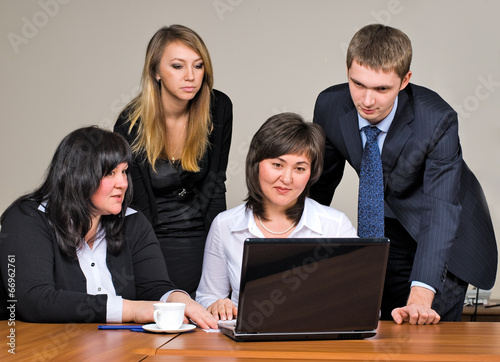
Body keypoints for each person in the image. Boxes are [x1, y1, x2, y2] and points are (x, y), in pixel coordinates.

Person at [310, 24, 497, 325]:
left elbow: (440, 209)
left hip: (447, 231)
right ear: (347, 71)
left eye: (382, 89)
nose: (367, 100)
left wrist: (421, 295)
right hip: (389, 225)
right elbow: (320, 184)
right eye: (358, 84)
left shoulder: (436, 120)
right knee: (374, 322)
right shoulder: (330, 106)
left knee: (423, 334)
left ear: (405, 80)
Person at [0, 126, 217, 328]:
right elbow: (34, 300)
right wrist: (131, 309)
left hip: (122, 349)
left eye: (124, 172)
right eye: (110, 173)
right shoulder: (27, 218)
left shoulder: (134, 221)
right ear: (78, 176)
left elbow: (153, 288)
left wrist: (178, 299)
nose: (122, 183)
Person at [195, 113, 357, 321]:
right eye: (277, 165)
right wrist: (216, 305)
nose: (287, 179)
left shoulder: (335, 225)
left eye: (300, 168)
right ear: (257, 163)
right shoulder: (225, 225)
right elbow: (206, 297)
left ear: (311, 174)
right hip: (245, 345)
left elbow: (361, 300)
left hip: (315, 343)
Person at [114, 25, 233, 297]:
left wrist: (222, 246)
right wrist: (146, 258)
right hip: (152, 238)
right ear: (156, 71)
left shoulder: (219, 108)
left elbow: (216, 185)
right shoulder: (129, 124)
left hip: (202, 235)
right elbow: (134, 202)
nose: (190, 76)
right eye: (178, 66)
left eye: (198, 66)